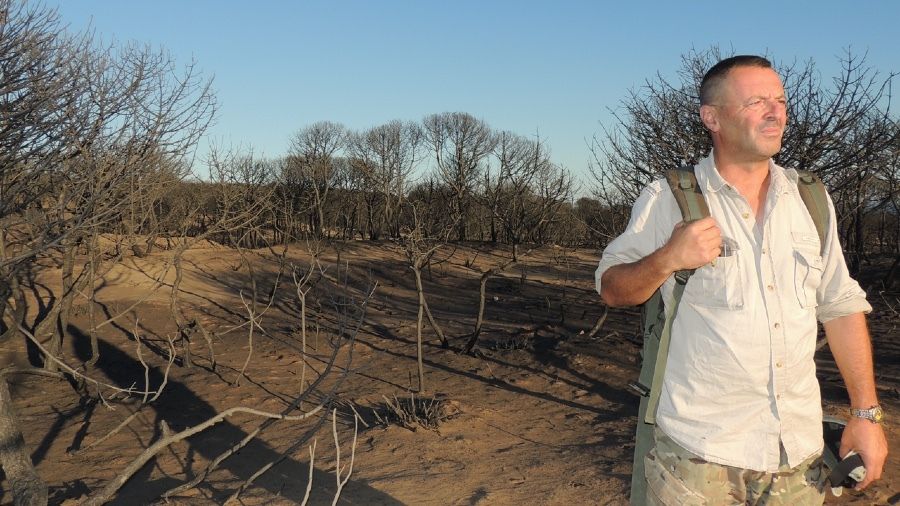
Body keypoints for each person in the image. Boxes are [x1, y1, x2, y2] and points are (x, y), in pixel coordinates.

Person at [595, 55, 888, 504]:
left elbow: (841, 304)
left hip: (798, 458)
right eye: (756, 101)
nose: (776, 112)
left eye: (781, 100)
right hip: (699, 457)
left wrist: (866, 415)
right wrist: (666, 258)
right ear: (711, 117)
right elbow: (612, 289)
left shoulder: (810, 198)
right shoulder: (669, 198)